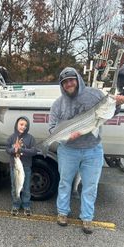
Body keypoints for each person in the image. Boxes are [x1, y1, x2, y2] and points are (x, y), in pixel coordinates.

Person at [49, 67, 121, 234]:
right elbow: (52, 128)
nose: (69, 83)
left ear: (78, 79)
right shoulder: (58, 104)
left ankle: (87, 217)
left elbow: (108, 110)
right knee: (64, 182)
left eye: (71, 79)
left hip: (93, 150)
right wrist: (65, 137)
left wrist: (117, 104)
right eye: (64, 82)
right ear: (61, 85)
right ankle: (62, 212)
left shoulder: (95, 94)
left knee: (90, 185)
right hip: (68, 150)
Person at [6, 116, 37, 216]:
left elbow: (34, 151)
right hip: (14, 167)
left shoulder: (30, 138)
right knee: (15, 186)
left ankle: (26, 205)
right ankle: (16, 204)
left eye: (25, 125)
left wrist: (21, 150)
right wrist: (14, 150)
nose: (23, 127)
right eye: (21, 124)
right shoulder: (11, 137)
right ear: (16, 124)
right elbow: (7, 149)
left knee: (26, 187)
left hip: (26, 167)